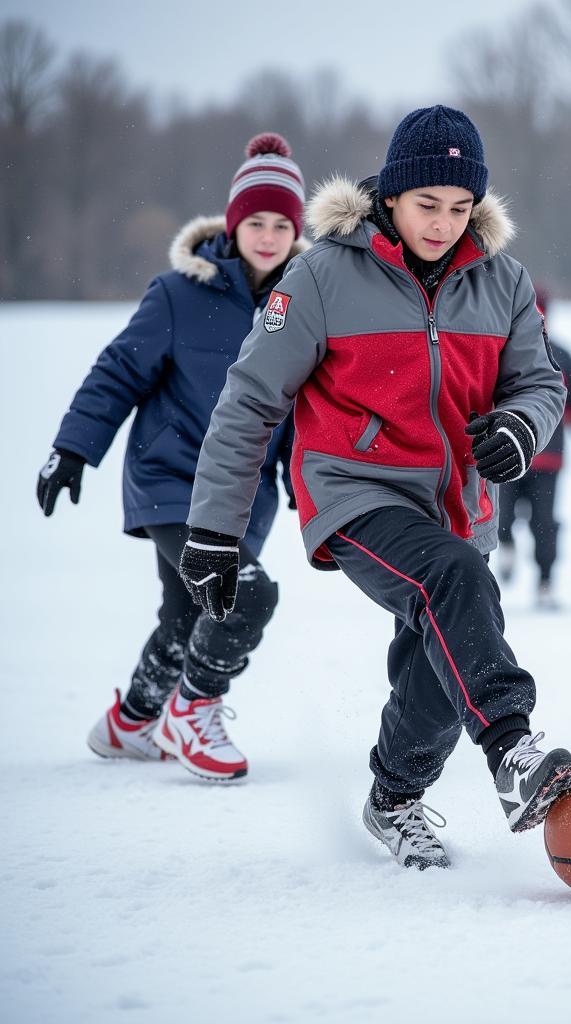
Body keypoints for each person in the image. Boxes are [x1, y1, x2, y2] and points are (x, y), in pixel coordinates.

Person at [179, 105, 571, 868]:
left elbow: (539, 382)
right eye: (427, 204)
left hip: (460, 505)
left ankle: (393, 798)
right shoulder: (323, 272)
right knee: (454, 581)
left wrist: (522, 427)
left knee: (438, 659)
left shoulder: (504, 280)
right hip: (354, 492)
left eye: (461, 208)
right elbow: (251, 397)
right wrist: (215, 529)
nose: (443, 223)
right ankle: (513, 747)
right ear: (390, 196)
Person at [37, 133, 307, 782]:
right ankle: (195, 708)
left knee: (189, 614)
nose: (267, 236)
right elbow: (118, 372)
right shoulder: (179, 294)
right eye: (256, 222)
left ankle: (131, 722)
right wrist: (74, 446)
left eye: (281, 225)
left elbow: (302, 401)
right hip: (172, 480)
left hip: (244, 494)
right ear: (234, 223)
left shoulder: (302, 304)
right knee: (244, 595)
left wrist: (307, 473)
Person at [496, 287, 571, 609]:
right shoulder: (501, 353)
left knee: (545, 524)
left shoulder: (562, 357)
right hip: (506, 458)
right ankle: (507, 544)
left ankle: (545, 581)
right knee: (501, 518)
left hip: (548, 461)